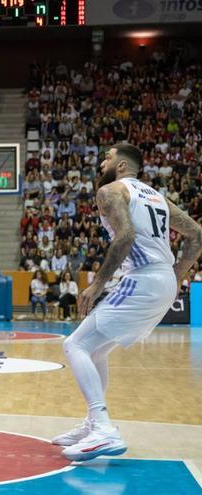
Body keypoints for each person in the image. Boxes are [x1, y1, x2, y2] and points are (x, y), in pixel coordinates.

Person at [55, 144, 202, 461]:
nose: (101, 163)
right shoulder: (157, 197)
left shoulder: (110, 190)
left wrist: (97, 283)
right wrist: (176, 276)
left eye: (107, 158)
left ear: (121, 165)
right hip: (160, 280)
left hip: (142, 278)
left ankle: (104, 429)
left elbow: (125, 237)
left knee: (75, 345)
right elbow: (197, 234)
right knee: (96, 349)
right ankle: (93, 423)